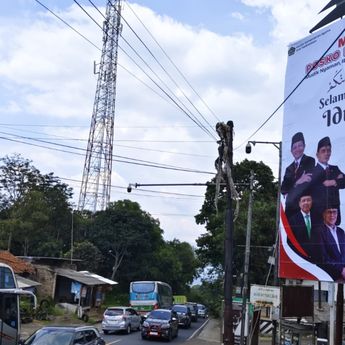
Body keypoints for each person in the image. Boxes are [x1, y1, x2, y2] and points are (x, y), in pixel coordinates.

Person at [309, 136, 345, 225]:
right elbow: (314, 188)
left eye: (328, 150)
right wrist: (337, 179)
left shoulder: (335, 169)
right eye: (323, 151)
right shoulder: (312, 172)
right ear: (317, 154)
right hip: (319, 216)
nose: (326, 153)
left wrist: (333, 182)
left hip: (335, 215)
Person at [281, 132, 315, 217]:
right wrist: (298, 181)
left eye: (300, 145)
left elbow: (307, 181)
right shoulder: (289, 168)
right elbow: (283, 190)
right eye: (294, 147)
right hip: (290, 208)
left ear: (304, 146)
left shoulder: (309, 161)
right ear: (291, 151)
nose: (297, 149)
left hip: (304, 207)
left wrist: (291, 187)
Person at [287, 192, 318, 262]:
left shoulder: (318, 218)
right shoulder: (293, 220)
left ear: (312, 202)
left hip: (317, 258)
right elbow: (290, 241)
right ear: (299, 204)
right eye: (303, 201)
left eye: (308, 200)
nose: (306, 203)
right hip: (300, 258)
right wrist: (299, 255)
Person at [317, 206, 345, 281]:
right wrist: (341, 270)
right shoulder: (319, 232)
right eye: (329, 212)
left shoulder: (341, 232)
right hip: (330, 276)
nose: (332, 215)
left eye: (334, 212)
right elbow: (323, 258)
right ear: (324, 215)